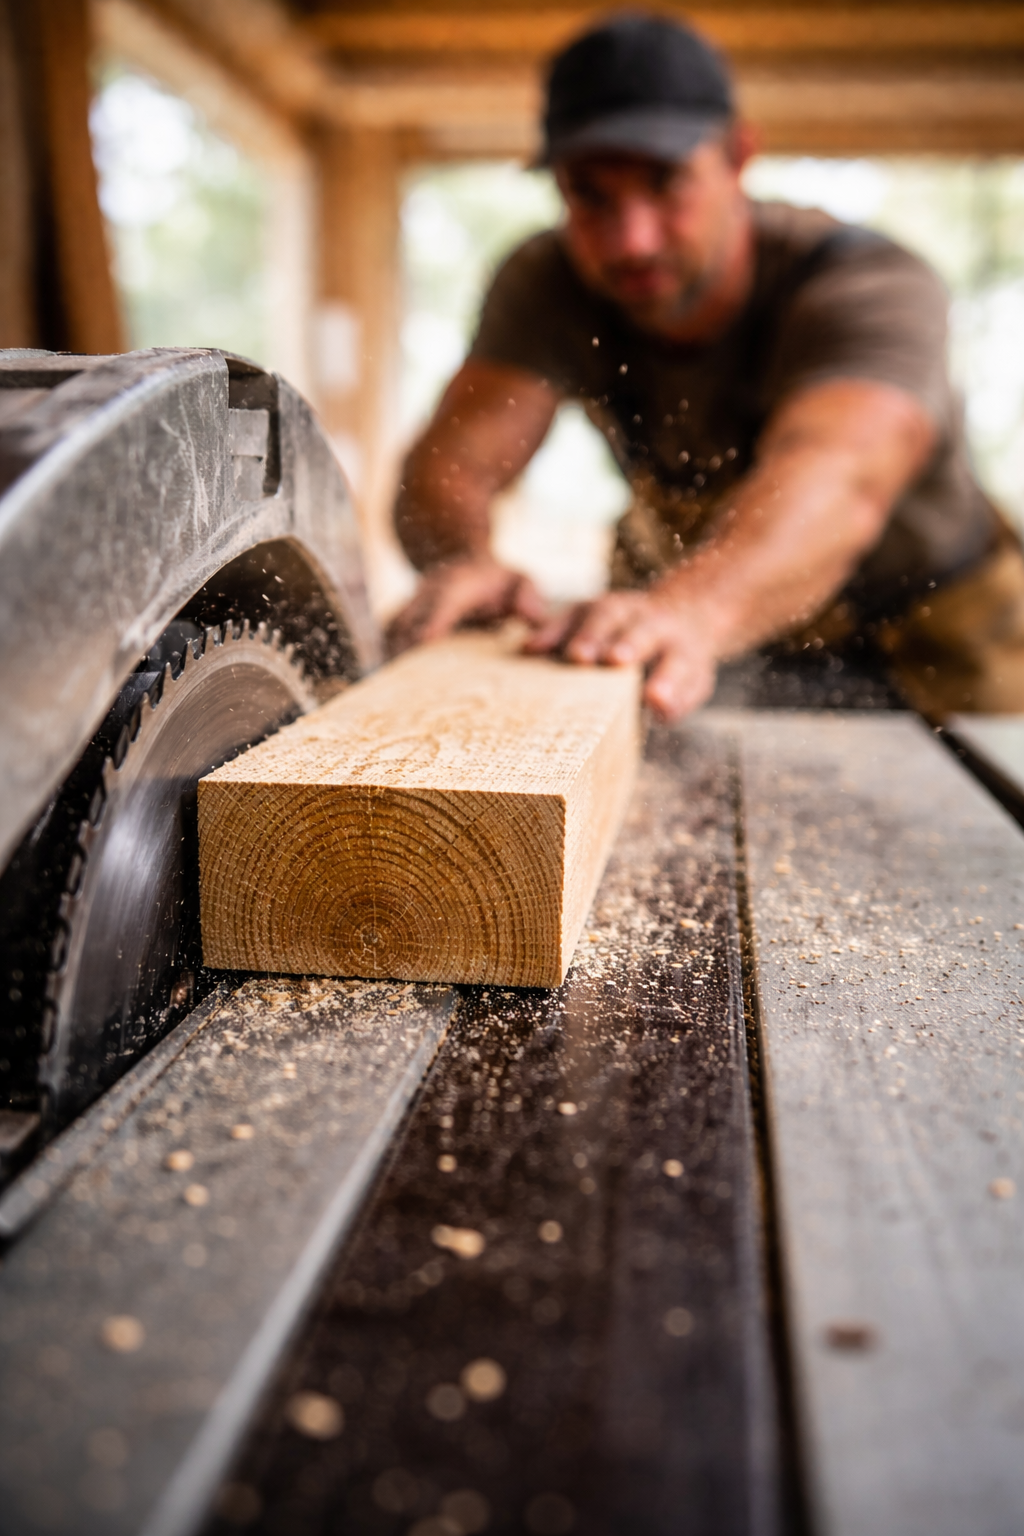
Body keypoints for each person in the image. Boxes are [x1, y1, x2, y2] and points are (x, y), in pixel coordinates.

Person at [388, 12, 1024, 720]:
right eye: (589, 196)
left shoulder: (868, 285)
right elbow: (455, 462)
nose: (631, 240)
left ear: (738, 158)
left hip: (934, 633)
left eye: (665, 183)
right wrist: (463, 559)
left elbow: (837, 480)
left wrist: (691, 611)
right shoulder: (549, 280)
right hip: (726, 631)